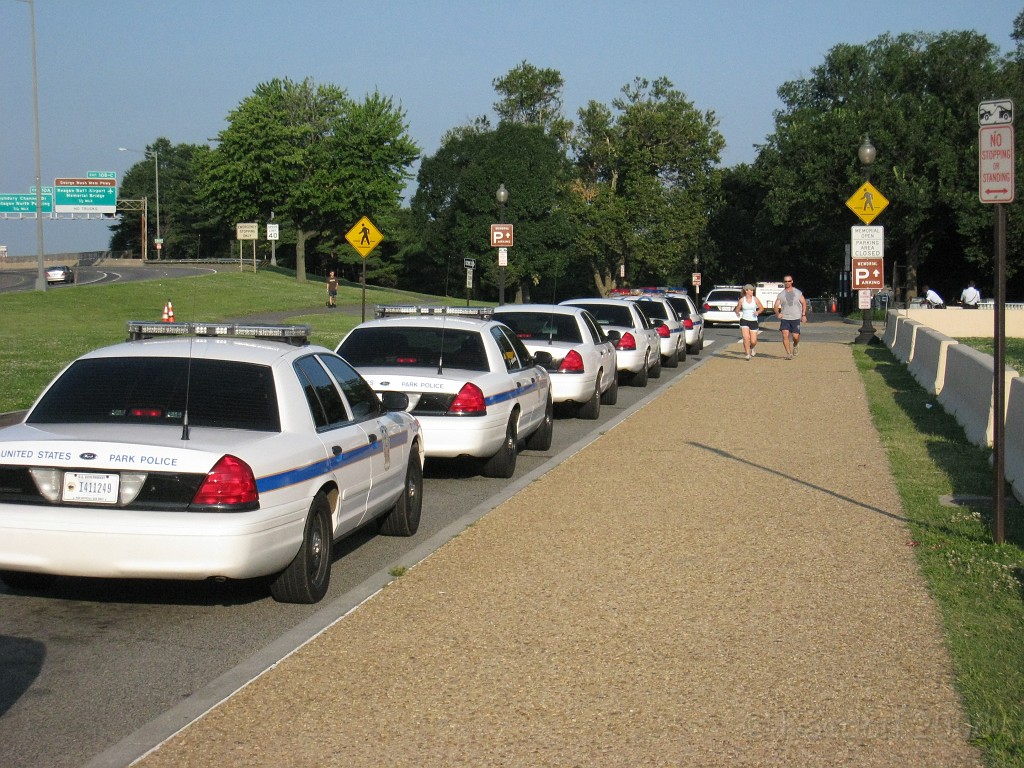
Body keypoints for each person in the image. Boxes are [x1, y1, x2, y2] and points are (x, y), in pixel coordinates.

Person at [773, 274, 807, 359]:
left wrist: (803, 314)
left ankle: (795, 345)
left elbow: (803, 303)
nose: (787, 283)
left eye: (789, 281)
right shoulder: (781, 294)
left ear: (792, 281)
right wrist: (778, 313)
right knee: (785, 335)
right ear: (783, 282)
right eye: (785, 281)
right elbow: (776, 306)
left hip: (795, 317)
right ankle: (789, 353)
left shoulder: (798, 292)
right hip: (785, 317)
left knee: (796, 336)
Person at [734, 284, 764, 360]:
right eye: (750, 290)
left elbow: (761, 308)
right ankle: (747, 354)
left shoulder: (755, 299)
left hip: (753, 321)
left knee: (753, 341)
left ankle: (751, 347)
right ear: (746, 291)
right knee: (745, 337)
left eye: (752, 290)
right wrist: (737, 312)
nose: (752, 291)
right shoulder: (742, 300)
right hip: (744, 320)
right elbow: (737, 308)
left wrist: (758, 312)